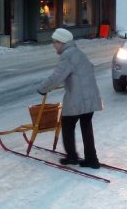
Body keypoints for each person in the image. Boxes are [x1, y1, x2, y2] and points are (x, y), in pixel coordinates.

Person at [37, 28, 104, 169]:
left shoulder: (68, 55)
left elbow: (57, 77)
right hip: (90, 96)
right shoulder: (79, 53)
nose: (53, 45)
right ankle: (92, 159)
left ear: (61, 42)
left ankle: (72, 157)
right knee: (86, 126)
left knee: (67, 124)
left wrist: (42, 89)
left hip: (78, 98)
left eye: (54, 42)